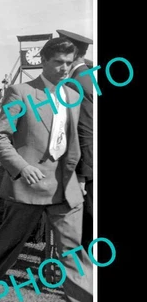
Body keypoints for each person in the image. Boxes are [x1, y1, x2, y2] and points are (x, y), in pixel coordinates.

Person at [0, 37, 93, 302]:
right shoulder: (21, 92)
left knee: (72, 253)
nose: (65, 69)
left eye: (69, 63)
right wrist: (21, 167)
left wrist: (80, 179)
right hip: (27, 186)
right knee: (9, 242)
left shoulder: (74, 94)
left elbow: (78, 139)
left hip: (65, 188)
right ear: (43, 61)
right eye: (58, 63)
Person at [57, 29, 94, 248]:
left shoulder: (76, 83)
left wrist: (82, 175)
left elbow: (85, 130)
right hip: (88, 165)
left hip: (85, 168)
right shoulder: (86, 77)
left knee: (86, 226)